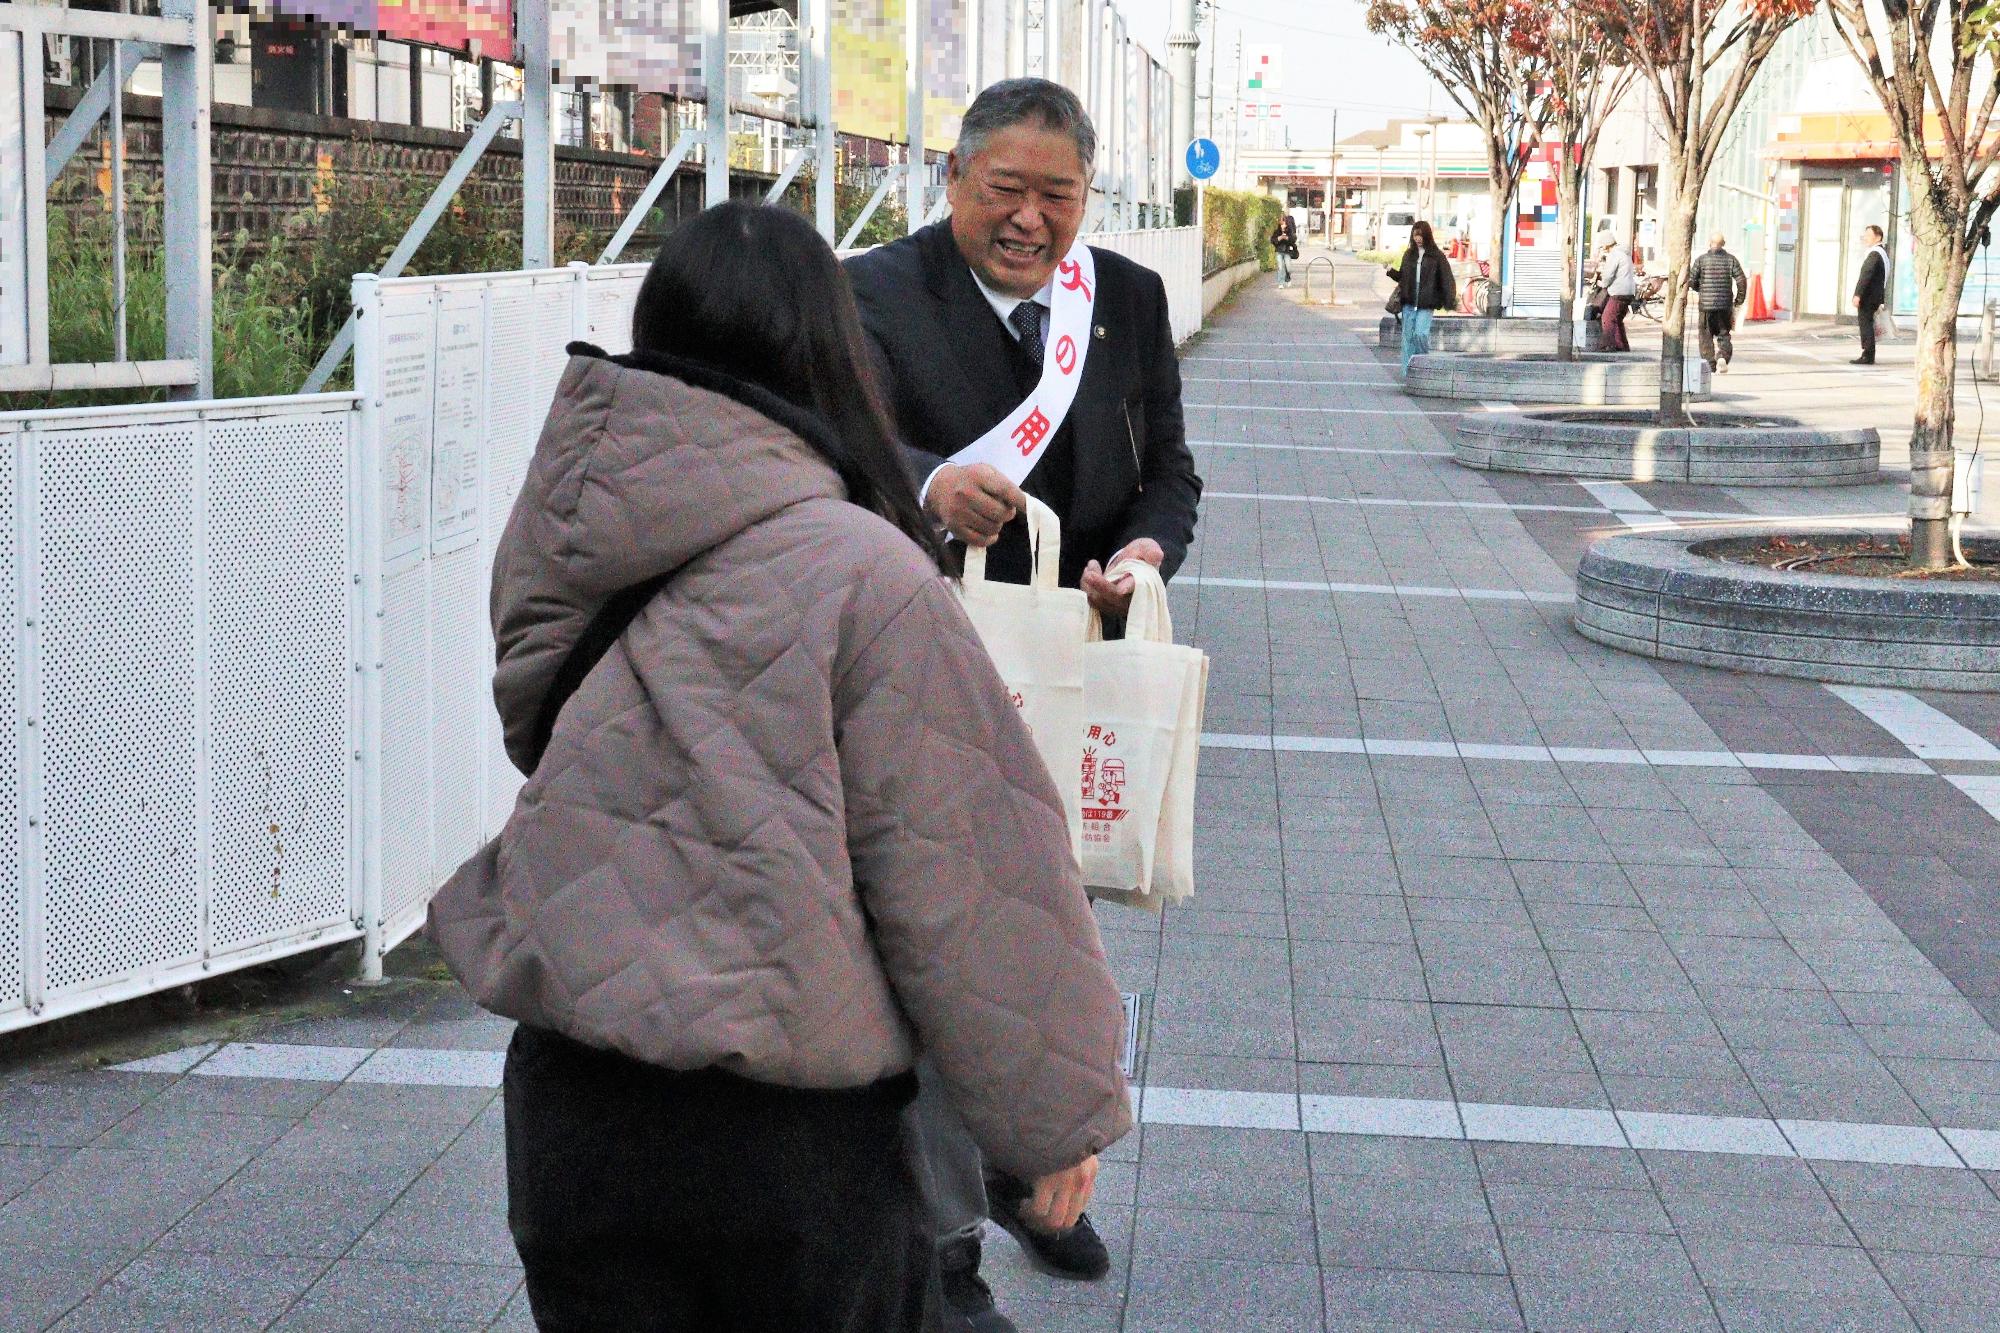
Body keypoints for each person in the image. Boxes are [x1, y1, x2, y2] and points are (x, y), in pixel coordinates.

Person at [429, 201, 1133, 1333]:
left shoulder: (566, 523)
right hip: (786, 1134)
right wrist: (1050, 1119)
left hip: (574, 1104)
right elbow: (963, 866)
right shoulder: (869, 570)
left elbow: (539, 721)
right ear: (828, 349)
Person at [847, 78, 1201, 1333]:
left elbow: (1169, 473)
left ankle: (1036, 1172)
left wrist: (1146, 556)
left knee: (1055, 945)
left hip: (1074, 675)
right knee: (941, 945)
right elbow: (832, 454)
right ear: (952, 181)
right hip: (923, 675)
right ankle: (943, 1242)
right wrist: (930, 484)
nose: (1031, 219)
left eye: (1058, 195)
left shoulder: (1127, 299)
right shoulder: (873, 294)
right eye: (1007, 190)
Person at [1387, 220, 1456, 373]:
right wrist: (1391, 271)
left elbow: (1446, 279)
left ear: (1427, 236)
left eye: (1421, 235)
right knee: (1407, 337)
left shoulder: (1437, 256)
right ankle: (1407, 371)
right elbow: (1402, 277)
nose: (1418, 238)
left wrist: (1449, 300)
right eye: (1415, 235)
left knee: (1420, 334)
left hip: (1427, 301)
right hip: (1409, 300)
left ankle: (1422, 365)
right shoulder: (1409, 254)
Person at [1684, 231, 1747, 373]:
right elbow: (1741, 280)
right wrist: (1739, 299)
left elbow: (1692, 280)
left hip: (1706, 306)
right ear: (1723, 244)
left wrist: (1701, 289)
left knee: (1705, 335)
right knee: (1724, 333)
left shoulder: (1701, 260)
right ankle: (1723, 357)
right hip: (1725, 305)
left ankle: (1709, 365)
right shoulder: (1731, 260)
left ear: (1709, 243)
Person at [1853, 223, 1888, 365]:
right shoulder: (1882, 253)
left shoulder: (1875, 254)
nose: (1865, 238)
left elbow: (1866, 275)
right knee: (1868, 324)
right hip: (1876, 295)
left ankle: (1867, 354)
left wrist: (1858, 294)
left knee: (1865, 324)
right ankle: (1868, 353)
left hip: (1869, 296)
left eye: (1868, 235)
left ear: (1878, 237)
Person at [1597, 235, 1636, 353]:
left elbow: (1609, 274)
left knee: (1607, 318)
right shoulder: (1625, 253)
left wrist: (1602, 283)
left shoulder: (1615, 255)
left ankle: (1608, 345)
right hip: (1629, 291)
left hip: (1618, 291)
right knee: (1617, 319)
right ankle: (1622, 345)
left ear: (1606, 244)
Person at [1272, 211, 1300, 287]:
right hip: (1279, 251)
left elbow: (1293, 239)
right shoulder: (1277, 231)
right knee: (1280, 267)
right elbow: (1273, 240)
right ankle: (1280, 283)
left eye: (1284, 223)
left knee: (1288, 268)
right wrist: (1279, 238)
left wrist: (1287, 238)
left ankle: (1288, 279)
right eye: (1281, 223)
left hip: (1287, 251)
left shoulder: (1289, 230)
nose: (1283, 225)